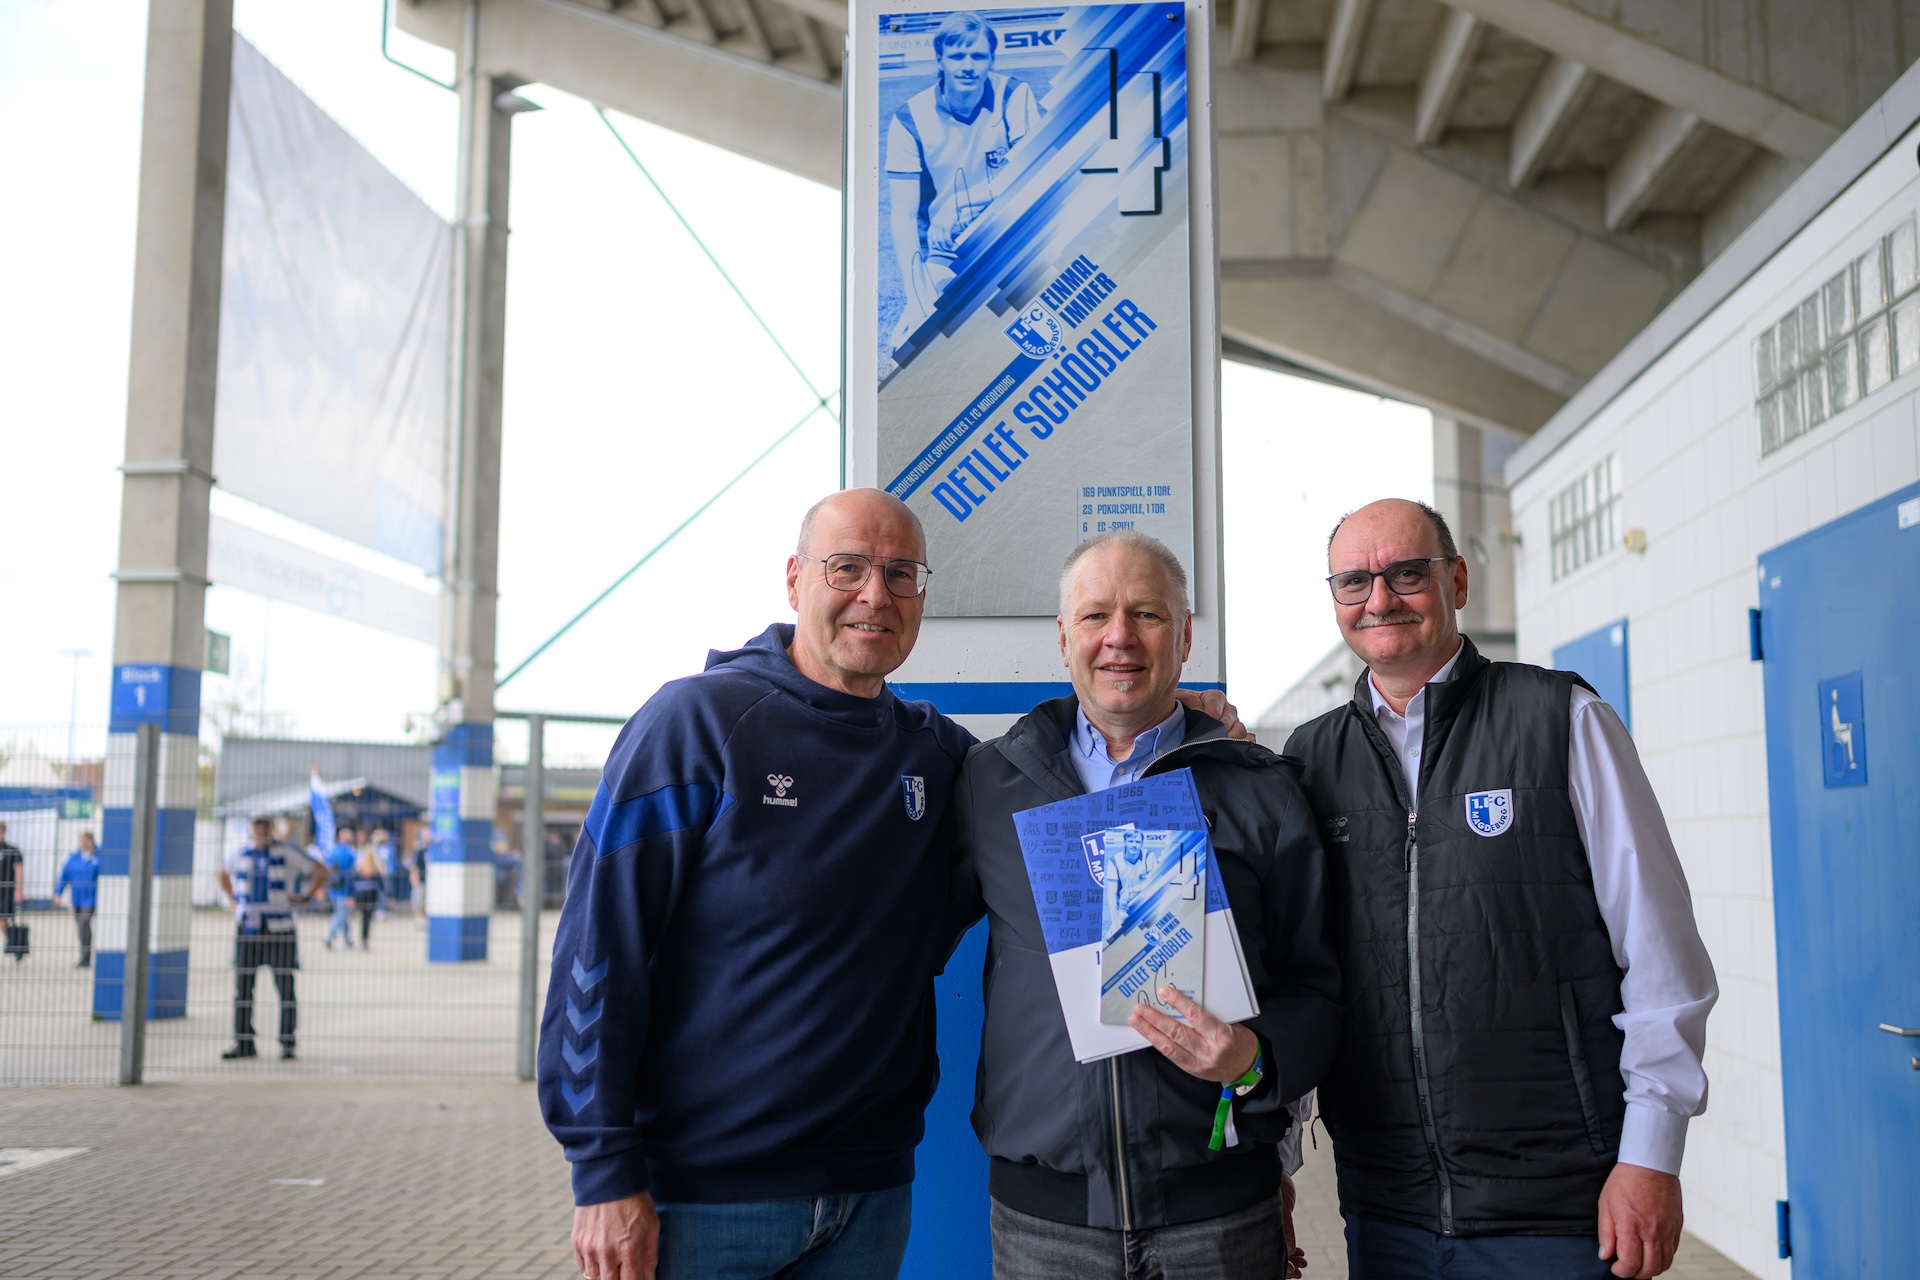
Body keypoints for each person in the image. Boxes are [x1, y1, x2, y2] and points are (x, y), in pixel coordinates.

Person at [541, 488, 1245, 1280]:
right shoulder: (694, 726)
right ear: (794, 579)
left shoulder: (933, 755)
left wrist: (1158, 701)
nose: (875, 595)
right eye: (848, 568)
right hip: (705, 1198)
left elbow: (1056, 756)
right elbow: (598, 952)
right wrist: (601, 1169)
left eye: (900, 574)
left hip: (871, 1196)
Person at [1284, 499, 1718, 1280]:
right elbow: (1297, 975)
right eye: (1354, 582)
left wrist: (1652, 1155)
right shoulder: (1312, 760)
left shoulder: (1562, 718)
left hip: (1558, 1207)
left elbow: (1661, 952)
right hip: (1386, 1209)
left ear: (1457, 580)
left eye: (1406, 573)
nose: (1379, 599)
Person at [942, 531, 1342, 1278]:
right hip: (1044, 1223)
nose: (1118, 637)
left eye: (1147, 615)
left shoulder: (1262, 787)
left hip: (1218, 1215)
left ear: (1185, 636)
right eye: (1095, 617)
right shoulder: (988, 784)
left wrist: (1259, 1059)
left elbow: (1318, 985)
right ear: (1064, 639)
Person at [884, 10, 1042, 346]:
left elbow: (1035, 172)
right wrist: (916, 295)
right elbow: (903, 215)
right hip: (947, 249)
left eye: (978, 56)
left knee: (1028, 325)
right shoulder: (909, 119)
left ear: (991, 59)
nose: (967, 65)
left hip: (1011, 235)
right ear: (940, 60)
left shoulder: (1014, 96)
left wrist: (961, 202)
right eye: (956, 56)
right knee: (910, 346)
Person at [217, 815, 323, 1060]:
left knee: (285, 986)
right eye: (257, 825)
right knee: (243, 987)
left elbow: (320, 871)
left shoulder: (288, 852)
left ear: (272, 829)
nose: (262, 829)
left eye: (266, 825)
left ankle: (287, 1042)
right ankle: (244, 1042)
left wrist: (305, 897)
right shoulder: (241, 854)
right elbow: (222, 872)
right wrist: (233, 901)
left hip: (280, 927)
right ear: (252, 828)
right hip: (249, 927)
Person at [54, 831, 100, 968]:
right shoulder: (73, 858)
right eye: (81, 841)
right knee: (82, 927)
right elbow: (64, 875)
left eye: (85, 841)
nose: (83, 844)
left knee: (84, 922)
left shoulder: (99, 857)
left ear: (91, 841)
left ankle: (86, 957)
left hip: (91, 899)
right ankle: (85, 956)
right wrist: (58, 892)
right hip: (77, 899)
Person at [324, 828, 358, 950]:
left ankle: (347, 939)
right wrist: (351, 895)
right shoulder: (350, 854)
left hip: (333, 889)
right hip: (344, 891)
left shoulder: (332, 852)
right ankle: (329, 936)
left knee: (343, 915)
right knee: (340, 915)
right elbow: (351, 876)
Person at [350, 843, 385, 950]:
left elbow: (352, 881)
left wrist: (351, 896)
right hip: (371, 896)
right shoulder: (375, 869)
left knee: (363, 918)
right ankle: (364, 939)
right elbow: (381, 884)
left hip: (361, 895)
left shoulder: (359, 868)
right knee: (367, 919)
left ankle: (362, 938)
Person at [0, 823, 24, 964]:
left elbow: (19, 870)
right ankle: (15, 944)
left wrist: (18, 891)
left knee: (3, 921)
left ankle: (15, 944)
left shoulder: (12, 850)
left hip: (7, 891)